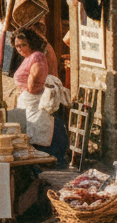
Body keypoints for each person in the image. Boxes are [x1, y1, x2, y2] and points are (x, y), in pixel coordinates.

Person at [12, 29, 69, 164]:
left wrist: (27, 91)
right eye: (17, 46)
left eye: (23, 45)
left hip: (35, 102)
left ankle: (48, 160)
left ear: (31, 43)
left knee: (40, 131)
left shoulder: (37, 56)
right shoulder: (29, 57)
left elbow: (35, 85)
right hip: (28, 101)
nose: (20, 49)